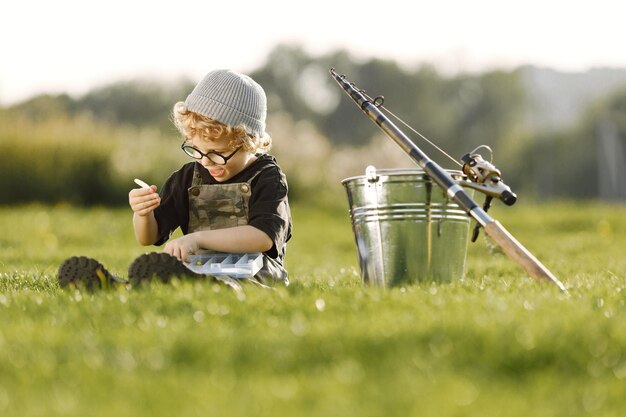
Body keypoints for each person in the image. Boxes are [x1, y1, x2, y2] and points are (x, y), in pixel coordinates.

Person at [57, 69, 292, 289]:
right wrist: (143, 213)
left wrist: (196, 239)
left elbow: (262, 237)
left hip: (255, 271)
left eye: (218, 154)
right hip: (200, 265)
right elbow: (148, 237)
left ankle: (199, 284)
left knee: (222, 283)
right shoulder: (188, 177)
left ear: (249, 143)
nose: (206, 162)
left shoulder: (268, 177)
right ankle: (121, 285)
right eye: (197, 150)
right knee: (182, 275)